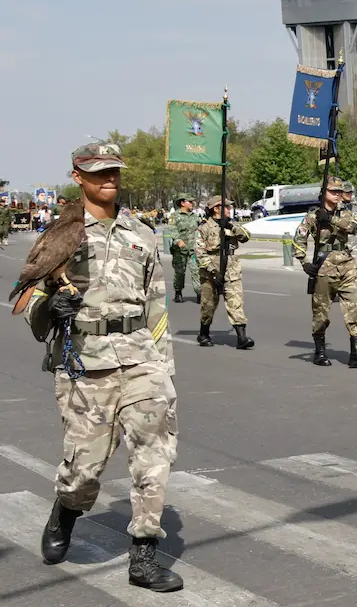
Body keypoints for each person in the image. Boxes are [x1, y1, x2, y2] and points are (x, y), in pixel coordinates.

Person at [23, 143, 182, 591]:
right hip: (83, 360)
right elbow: (35, 315)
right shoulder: (63, 233)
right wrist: (51, 306)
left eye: (114, 171)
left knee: (154, 454)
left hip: (140, 358)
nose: (108, 179)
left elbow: (156, 305)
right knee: (85, 470)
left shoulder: (142, 233)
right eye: (97, 173)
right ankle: (66, 511)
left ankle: (144, 556)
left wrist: (164, 366)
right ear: (77, 176)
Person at [292, 178, 357, 368]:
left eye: (339, 191)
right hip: (324, 266)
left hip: (346, 264)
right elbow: (299, 239)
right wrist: (304, 262)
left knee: (354, 308)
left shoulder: (345, 213)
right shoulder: (311, 216)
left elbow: (352, 227)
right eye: (333, 191)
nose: (338, 194)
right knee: (321, 312)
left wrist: (330, 219)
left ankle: (356, 353)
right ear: (324, 193)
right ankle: (320, 351)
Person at [195, 195, 253, 350]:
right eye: (226, 207)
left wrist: (231, 226)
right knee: (208, 306)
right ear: (216, 209)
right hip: (210, 272)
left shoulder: (231, 225)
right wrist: (212, 271)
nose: (229, 209)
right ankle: (204, 333)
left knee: (236, 303)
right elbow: (200, 253)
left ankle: (241, 337)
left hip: (231, 269)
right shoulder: (204, 228)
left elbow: (246, 237)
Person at [167, 194, 201, 303]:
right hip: (179, 251)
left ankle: (199, 293)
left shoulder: (194, 216)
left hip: (192, 250)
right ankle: (178, 292)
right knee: (180, 273)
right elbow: (172, 229)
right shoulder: (174, 216)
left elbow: (201, 227)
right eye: (189, 202)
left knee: (196, 271)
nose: (192, 204)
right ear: (182, 203)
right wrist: (177, 240)